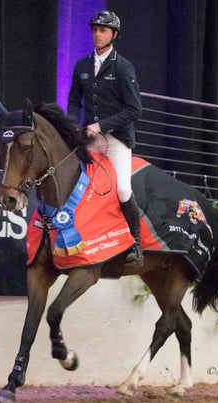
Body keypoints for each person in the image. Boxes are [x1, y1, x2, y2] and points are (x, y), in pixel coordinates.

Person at [68, 10, 143, 266]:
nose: (97, 34)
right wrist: (71, 126)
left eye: (103, 30)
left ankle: (136, 243)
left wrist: (101, 125)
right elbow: (74, 100)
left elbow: (135, 109)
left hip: (117, 140)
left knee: (123, 189)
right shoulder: (82, 65)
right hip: (90, 138)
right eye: (95, 30)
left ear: (114, 34)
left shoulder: (123, 67)